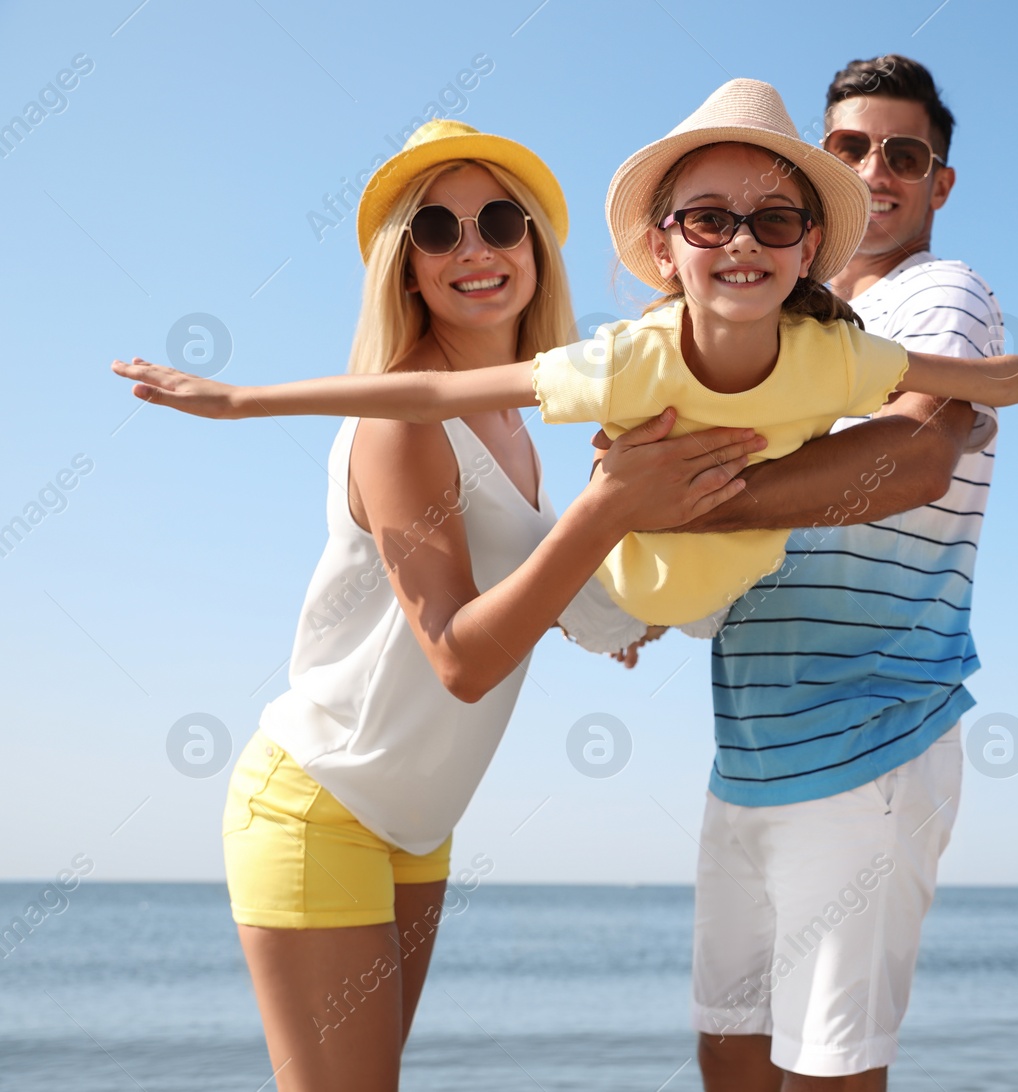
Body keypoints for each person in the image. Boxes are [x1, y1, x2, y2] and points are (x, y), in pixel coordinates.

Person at [124, 119, 761, 1092]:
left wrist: (618, 608)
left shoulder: (516, 423)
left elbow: (531, 588)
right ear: (405, 267)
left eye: (500, 222)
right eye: (437, 231)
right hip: (319, 806)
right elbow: (459, 659)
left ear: (535, 252)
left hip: (420, 823)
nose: (474, 249)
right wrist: (603, 513)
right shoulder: (400, 415)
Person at [113, 80, 1018, 636]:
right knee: (528, 540)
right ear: (663, 247)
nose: (741, 244)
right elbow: (437, 387)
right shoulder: (627, 362)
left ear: (808, 253)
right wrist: (243, 397)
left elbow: (997, 380)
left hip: (714, 598)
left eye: (774, 224)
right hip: (615, 593)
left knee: (960, 418)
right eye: (707, 221)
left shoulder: (838, 356)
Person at [684, 56, 1018, 1091]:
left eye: (905, 153)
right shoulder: (788, 317)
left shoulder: (944, 295)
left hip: (871, 739)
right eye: (848, 147)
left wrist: (694, 498)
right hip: (747, 747)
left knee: (828, 1075)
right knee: (729, 1054)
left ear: (939, 182)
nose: (876, 169)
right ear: (818, 168)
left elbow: (913, 454)